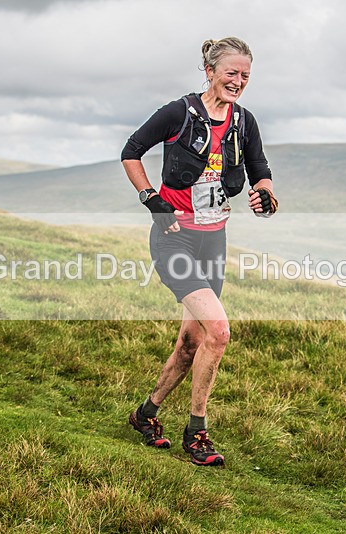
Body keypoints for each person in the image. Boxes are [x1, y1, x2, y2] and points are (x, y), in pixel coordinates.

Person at [121, 37, 278, 467]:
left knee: (192, 341)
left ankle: (145, 414)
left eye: (245, 75)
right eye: (231, 73)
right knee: (219, 332)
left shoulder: (244, 122)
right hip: (173, 237)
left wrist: (265, 195)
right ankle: (196, 433)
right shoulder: (179, 113)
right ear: (209, 71)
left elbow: (260, 169)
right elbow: (131, 152)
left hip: (214, 240)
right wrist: (152, 199)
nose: (238, 81)